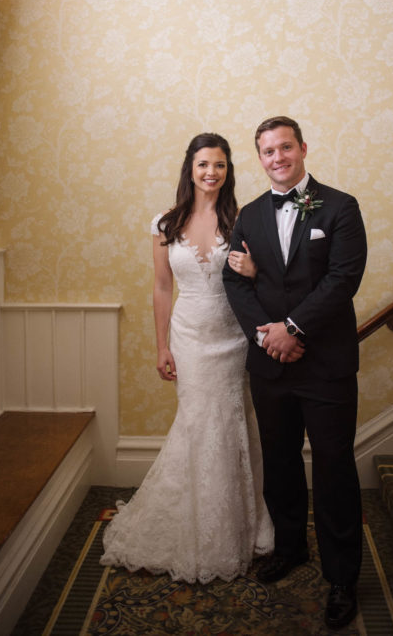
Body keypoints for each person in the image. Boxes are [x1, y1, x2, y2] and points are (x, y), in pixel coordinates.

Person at [101, 133, 273, 583]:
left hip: (233, 337)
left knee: (232, 424)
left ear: (228, 170)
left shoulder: (243, 220)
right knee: (199, 425)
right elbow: (161, 288)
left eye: (219, 165)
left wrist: (254, 271)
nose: (211, 173)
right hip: (189, 338)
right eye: (203, 165)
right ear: (190, 169)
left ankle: (242, 527)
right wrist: (162, 346)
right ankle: (193, 525)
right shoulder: (165, 224)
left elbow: (264, 282)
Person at [223, 116, 367, 630]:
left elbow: (342, 278)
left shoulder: (341, 206)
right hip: (270, 365)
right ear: (258, 158)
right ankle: (289, 548)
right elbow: (233, 282)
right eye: (267, 151)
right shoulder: (249, 214)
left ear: (303, 148)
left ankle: (342, 576)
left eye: (285, 147)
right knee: (280, 461)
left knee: (333, 468)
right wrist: (266, 337)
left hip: (326, 364)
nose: (277, 157)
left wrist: (293, 328)